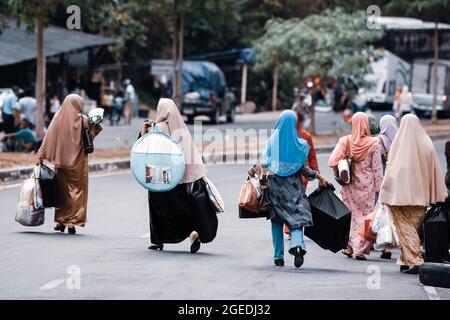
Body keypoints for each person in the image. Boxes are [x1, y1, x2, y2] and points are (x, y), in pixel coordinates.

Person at [140, 98, 216, 254]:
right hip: (181, 176)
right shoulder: (180, 129)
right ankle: (192, 232)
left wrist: (143, 130)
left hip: (160, 176)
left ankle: (158, 240)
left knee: (158, 209)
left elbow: (144, 148)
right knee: (182, 209)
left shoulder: (157, 127)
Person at [257, 110, 328, 268]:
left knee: (276, 221)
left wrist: (255, 172)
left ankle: (278, 257)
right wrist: (318, 176)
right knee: (296, 221)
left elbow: (264, 165)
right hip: (294, 189)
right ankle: (297, 246)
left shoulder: (271, 142)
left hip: (274, 190)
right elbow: (303, 169)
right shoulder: (301, 145)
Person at [379, 114, 447, 274]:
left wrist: (385, 192)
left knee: (405, 228)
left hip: (399, 198)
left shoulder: (398, 145)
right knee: (411, 229)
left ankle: (415, 261)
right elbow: (435, 170)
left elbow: (391, 171)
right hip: (421, 198)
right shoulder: (427, 144)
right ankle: (405, 259)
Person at [38, 94, 102, 235]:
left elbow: (48, 139)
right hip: (79, 164)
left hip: (61, 164)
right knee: (77, 192)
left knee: (61, 192)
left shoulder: (57, 119)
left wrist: (41, 156)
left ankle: (61, 221)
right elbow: (91, 136)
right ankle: (72, 222)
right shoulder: (84, 120)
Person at [328, 112, 383, 260]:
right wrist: (380, 189)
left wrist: (339, 172)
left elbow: (332, 160)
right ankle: (359, 249)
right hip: (368, 187)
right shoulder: (374, 143)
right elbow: (377, 169)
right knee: (366, 217)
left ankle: (350, 246)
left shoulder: (345, 141)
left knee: (351, 216)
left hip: (349, 185)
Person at [284, 111, 320, 237]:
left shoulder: (284, 135)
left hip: (287, 175)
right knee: (298, 201)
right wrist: (316, 171)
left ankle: (290, 228)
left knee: (289, 201)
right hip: (303, 176)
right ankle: (293, 227)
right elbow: (312, 156)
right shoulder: (306, 136)